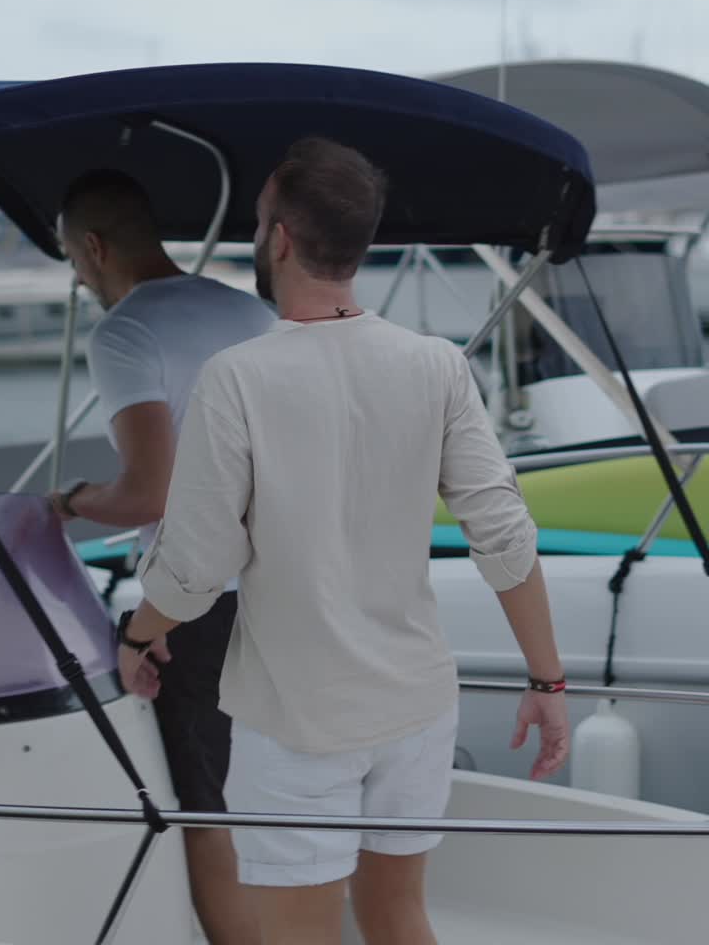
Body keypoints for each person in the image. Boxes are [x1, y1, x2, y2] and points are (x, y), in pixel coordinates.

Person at [118, 137, 570, 945]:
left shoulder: (240, 377)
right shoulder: (435, 364)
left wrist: (139, 635)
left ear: (280, 238)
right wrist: (548, 682)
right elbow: (503, 533)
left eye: (259, 223)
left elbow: (193, 570)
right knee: (400, 918)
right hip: (416, 704)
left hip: (299, 717)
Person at [49, 168, 273, 945]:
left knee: (207, 814)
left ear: (94, 247)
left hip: (203, 603)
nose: (82, 280)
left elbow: (149, 493)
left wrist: (71, 501)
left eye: (75, 265)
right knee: (291, 800)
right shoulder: (251, 311)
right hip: (295, 590)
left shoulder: (127, 333)